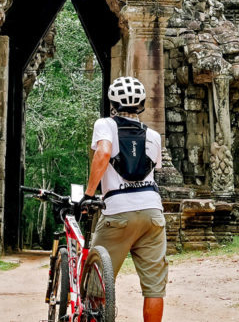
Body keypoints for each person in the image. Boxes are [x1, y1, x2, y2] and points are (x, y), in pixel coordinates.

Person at [81, 76, 167, 322]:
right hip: (152, 213)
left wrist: (89, 195)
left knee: (97, 281)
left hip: (118, 211)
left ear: (112, 104)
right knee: (154, 288)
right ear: (141, 106)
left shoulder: (105, 124)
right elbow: (151, 170)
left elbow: (104, 152)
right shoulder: (153, 135)